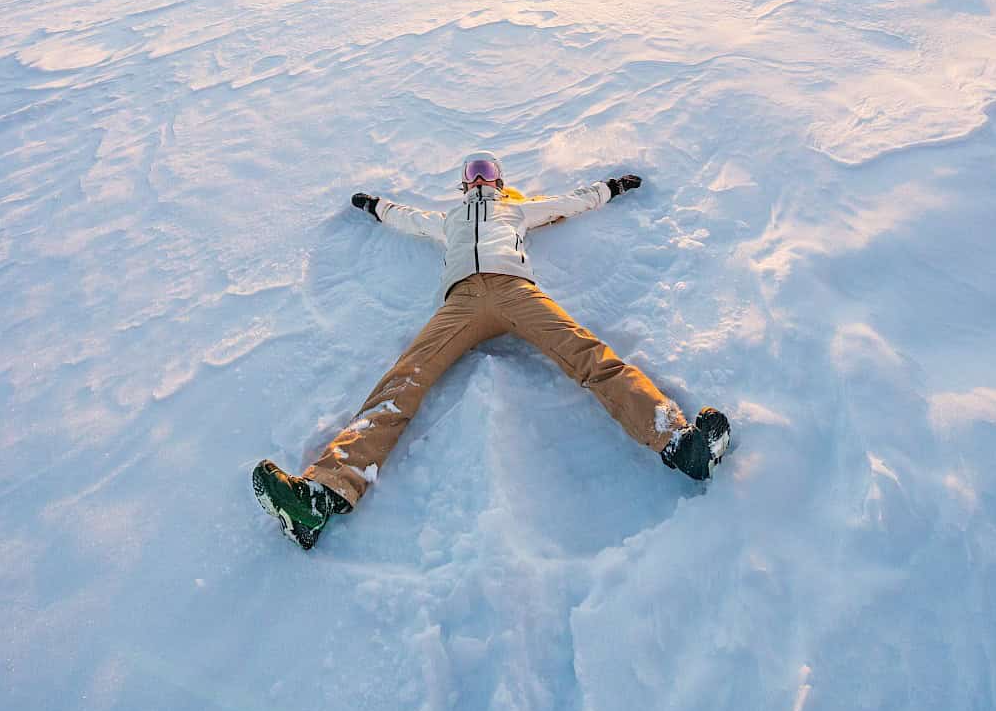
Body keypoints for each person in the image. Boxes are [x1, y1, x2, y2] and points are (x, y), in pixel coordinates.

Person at [252, 152, 731, 549]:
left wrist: (611, 188)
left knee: (590, 357)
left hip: (517, 292)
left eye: (488, 172)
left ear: (500, 181)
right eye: (473, 173)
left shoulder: (515, 210)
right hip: (459, 303)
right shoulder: (449, 219)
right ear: (464, 186)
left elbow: (569, 201)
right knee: (403, 382)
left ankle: (679, 442)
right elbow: (408, 219)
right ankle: (321, 494)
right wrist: (375, 205)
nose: (481, 179)